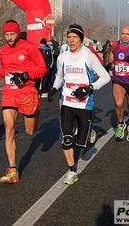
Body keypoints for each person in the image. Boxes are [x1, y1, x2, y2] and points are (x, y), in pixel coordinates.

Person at [47, 23, 110, 185]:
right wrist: (54, 89)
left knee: (82, 143)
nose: (71, 40)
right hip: (67, 102)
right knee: (66, 139)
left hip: (84, 104)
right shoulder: (62, 58)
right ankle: (72, 170)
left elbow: (105, 76)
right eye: (69, 37)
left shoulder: (88, 55)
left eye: (75, 37)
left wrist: (90, 88)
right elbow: (60, 77)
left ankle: (89, 132)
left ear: (81, 39)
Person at [0, 20, 47, 183]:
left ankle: (35, 113)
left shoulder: (29, 47)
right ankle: (13, 169)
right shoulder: (3, 51)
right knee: (9, 129)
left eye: (12, 34)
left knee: (29, 132)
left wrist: (26, 75)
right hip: (10, 94)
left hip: (27, 93)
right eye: (6, 34)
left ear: (18, 33)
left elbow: (42, 68)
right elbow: (4, 69)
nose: (9, 37)